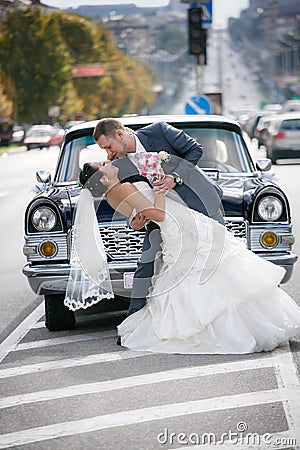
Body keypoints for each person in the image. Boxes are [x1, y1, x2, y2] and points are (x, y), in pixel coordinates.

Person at [67, 161, 300, 355]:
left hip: (178, 225)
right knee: (212, 269)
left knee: (211, 270)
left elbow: (137, 217)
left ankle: (241, 323)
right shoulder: (124, 188)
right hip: (177, 226)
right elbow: (157, 214)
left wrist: (136, 218)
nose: (109, 163)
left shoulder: (111, 196)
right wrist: (158, 193)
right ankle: (238, 327)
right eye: (103, 166)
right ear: (104, 179)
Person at [93, 118, 225, 319]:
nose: (108, 154)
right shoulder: (118, 166)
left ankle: (220, 312)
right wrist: (133, 222)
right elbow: (128, 201)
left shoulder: (160, 131)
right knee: (146, 262)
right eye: (105, 150)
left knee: (217, 256)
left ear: (120, 134)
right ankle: (134, 320)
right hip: (163, 218)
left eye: (108, 147)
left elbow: (195, 150)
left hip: (201, 203)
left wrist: (175, 177)